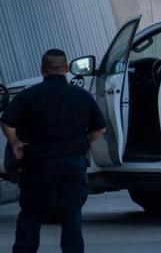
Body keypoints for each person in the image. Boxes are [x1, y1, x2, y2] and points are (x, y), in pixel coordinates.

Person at [1, 49, 106, 253]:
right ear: (66, 69)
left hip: (38, 166)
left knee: (31, 216)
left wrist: (15, 144)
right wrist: (85, 141)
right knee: (72, 219)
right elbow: (100, 128)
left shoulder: (29, 95)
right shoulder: (82, 96)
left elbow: (6, 122)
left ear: (42, 70)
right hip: (73, 165)